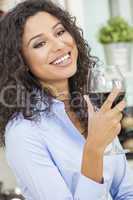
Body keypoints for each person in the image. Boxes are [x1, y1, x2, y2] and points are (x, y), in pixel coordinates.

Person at [0, 0, 133, 199]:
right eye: (40, 43)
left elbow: (126, 190)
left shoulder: (92, 107)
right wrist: (94, 148)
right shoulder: (23, 132)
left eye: (60, 32)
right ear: (21, 62)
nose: (59, 45)